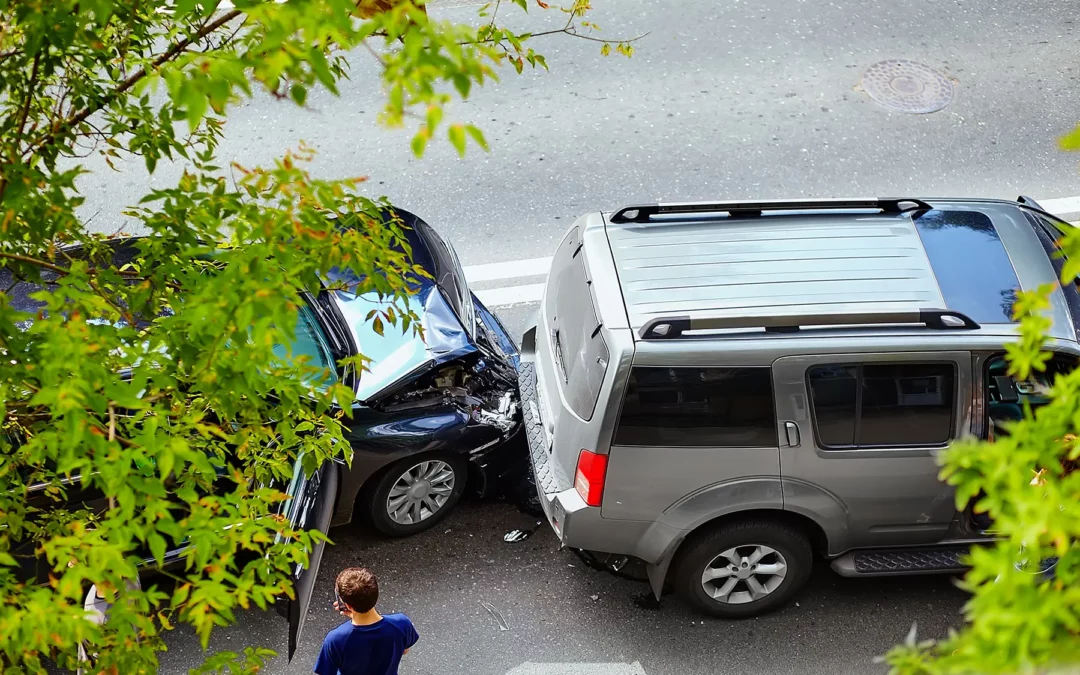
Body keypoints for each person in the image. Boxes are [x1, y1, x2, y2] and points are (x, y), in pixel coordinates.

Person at [314, 567, 419, 675]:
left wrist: (356, 615)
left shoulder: (336, 639)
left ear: (347, 605)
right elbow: (404, 650)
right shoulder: (401, 623)